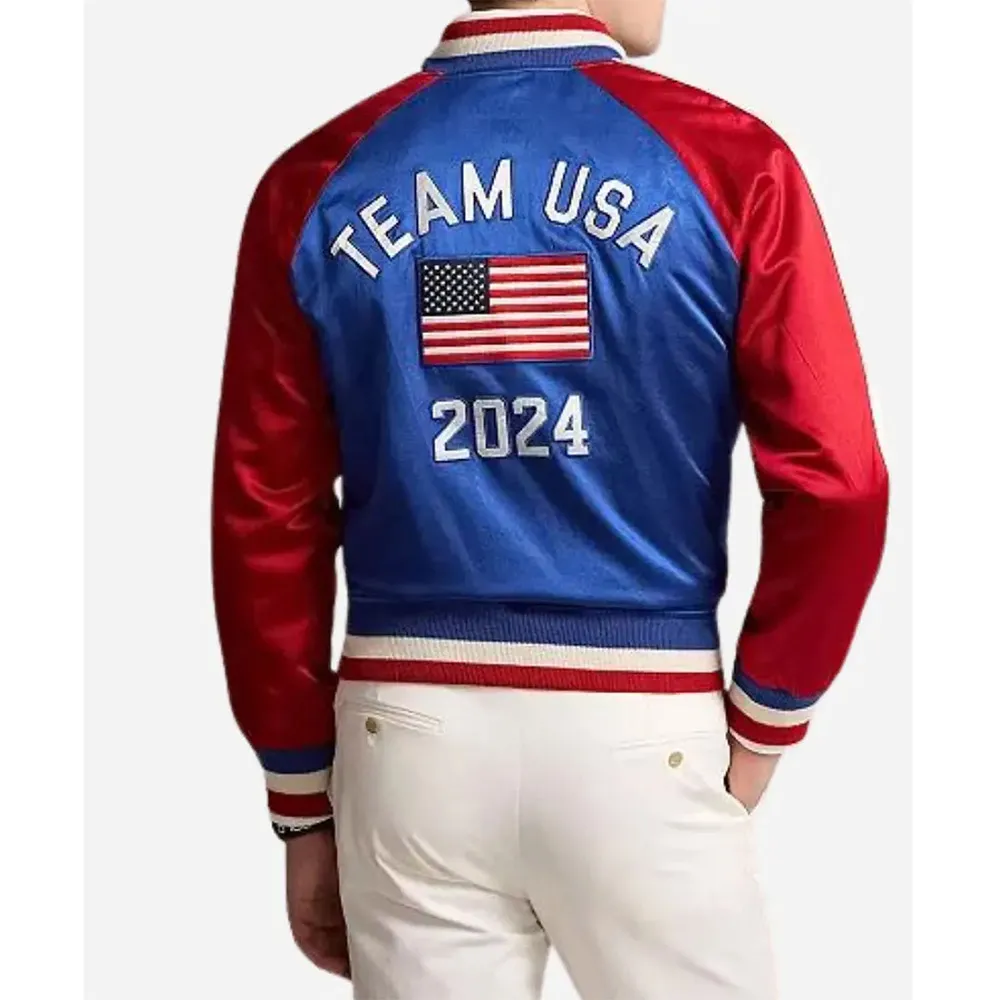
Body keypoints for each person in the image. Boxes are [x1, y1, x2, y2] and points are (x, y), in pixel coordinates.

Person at [212, 1, 889, 996]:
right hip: (642, 719)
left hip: (407, 733)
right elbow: (840, 482)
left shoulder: (316, 179)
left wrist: (301, 789)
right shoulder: (730, 162)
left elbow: (263, 509)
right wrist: (767, 713)